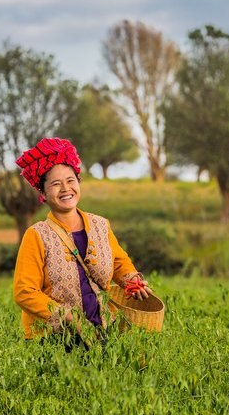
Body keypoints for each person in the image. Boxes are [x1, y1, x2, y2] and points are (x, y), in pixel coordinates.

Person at [12, 138, 153, 346]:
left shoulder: (100, 225)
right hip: (55, 339)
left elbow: (119, 262)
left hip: (102, 333)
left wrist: (133, 282)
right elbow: (24, 292)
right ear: (42, 192)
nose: (65, 189)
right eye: (55, 184)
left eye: (71, 181)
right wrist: (68, 317)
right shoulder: (36, 235)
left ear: (79, 182)